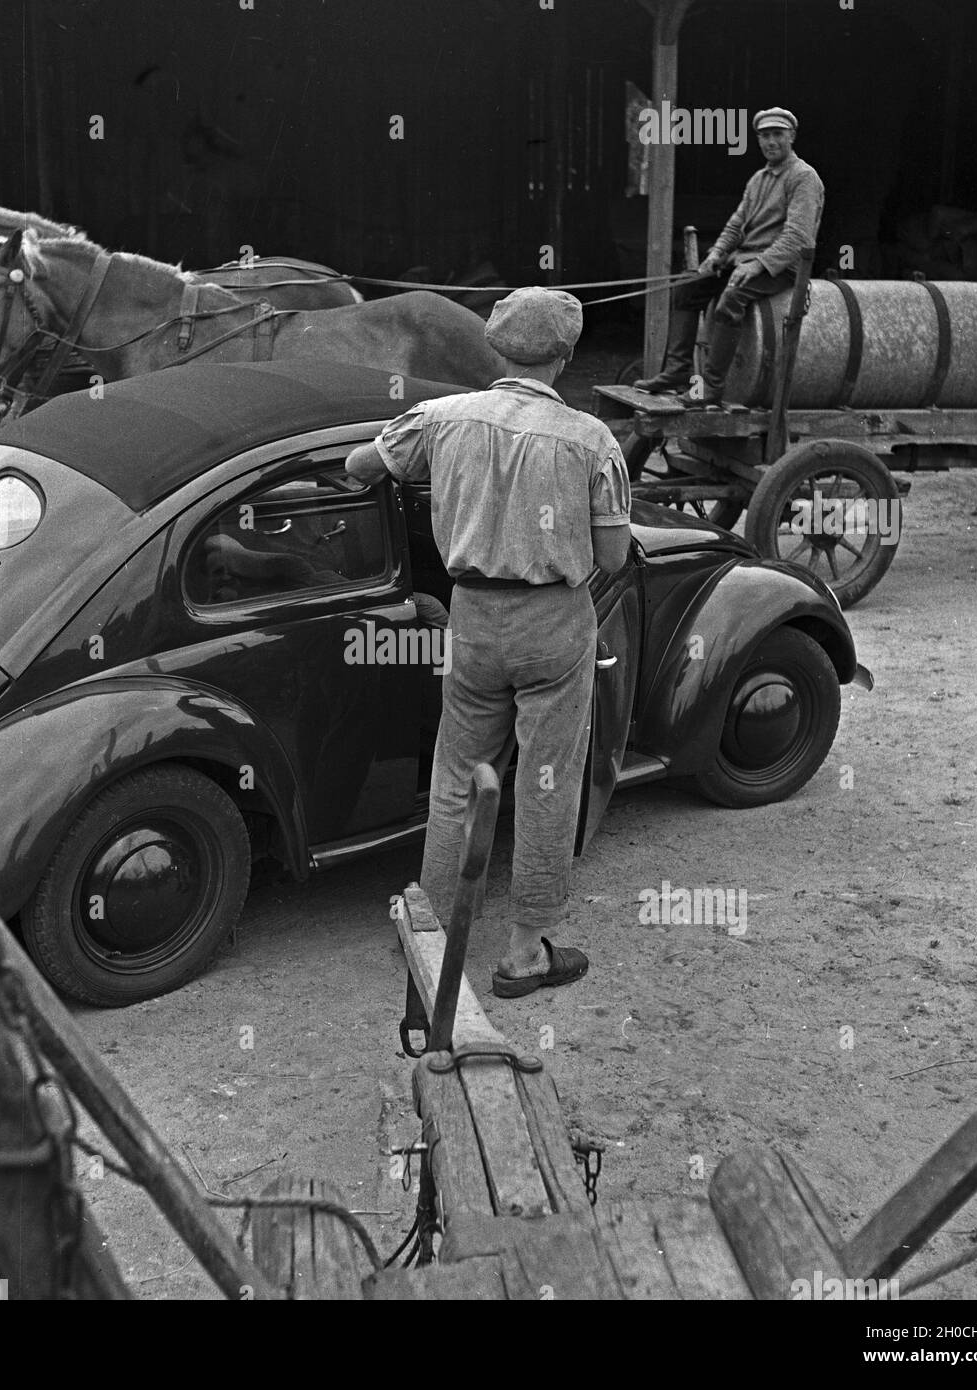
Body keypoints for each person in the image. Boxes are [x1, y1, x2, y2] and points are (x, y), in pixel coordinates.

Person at [344, 286, 631, 997]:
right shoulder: (592, 440)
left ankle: (431, 932)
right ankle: (524, 954)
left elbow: (358, 466)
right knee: (546, 784)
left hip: (472, 618)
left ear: (496, 348)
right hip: (554, 624)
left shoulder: (441, 418)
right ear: (565, 357)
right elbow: (617, 557)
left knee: (456, 781)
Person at [636, 106, 824, 407]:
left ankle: (711, 386)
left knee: (730, 300)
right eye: (764, 136)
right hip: (745, 260)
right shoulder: (758, 179)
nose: (770, 142)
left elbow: (799, 237)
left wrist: (758, 264)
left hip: (784, 267)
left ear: (792, 136)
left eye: (777, 134)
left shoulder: (803, 178)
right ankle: (676, 371)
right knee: (688, 286)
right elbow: (736, 224)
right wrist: (717, 254)